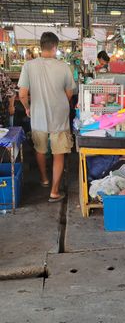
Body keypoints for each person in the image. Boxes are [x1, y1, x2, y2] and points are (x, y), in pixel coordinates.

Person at [18, 32, 75, 202]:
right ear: (55, 48)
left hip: (38, 114)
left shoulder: (28, 66)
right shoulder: (63, 66)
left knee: (40, 148)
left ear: (41, 46)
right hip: (60, 115)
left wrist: (28, 108)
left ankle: (44, 179)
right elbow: (69, 93)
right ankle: (54, 191)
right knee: (59, 153)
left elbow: (22, 94)